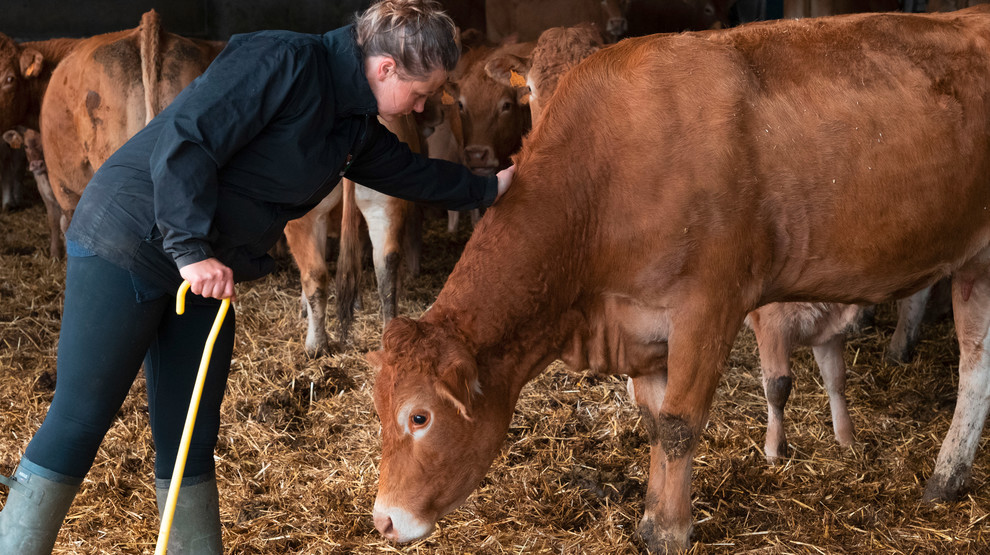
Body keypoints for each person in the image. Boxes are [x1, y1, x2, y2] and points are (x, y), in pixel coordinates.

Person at [0, 1, 514, 553]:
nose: (423, 105)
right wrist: (189, 248)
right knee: (82, 415)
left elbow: (408, 172)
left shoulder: (352, 124)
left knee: (190, 432)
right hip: (130, 239)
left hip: (205, 269)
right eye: (421, 91)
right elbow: (188, 139)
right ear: (386, 67)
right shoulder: (285, 59)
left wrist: (493, 188)